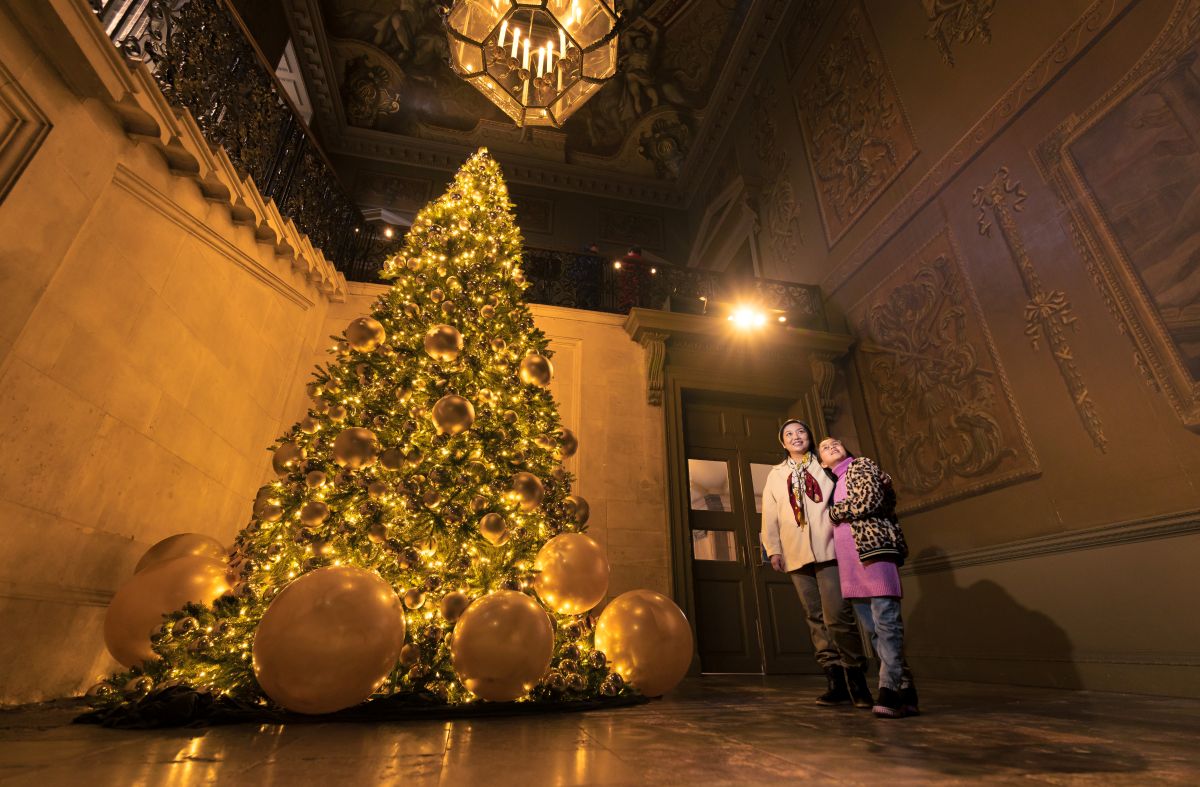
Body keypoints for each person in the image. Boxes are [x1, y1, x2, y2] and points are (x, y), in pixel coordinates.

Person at [760, 420, 872, 708]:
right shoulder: (776, 474)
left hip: (830, 549)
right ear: (782, 443)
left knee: (837, 616)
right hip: (795, 553)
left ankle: (856, 678)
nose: (796, 437)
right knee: (814, 617)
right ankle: (834, 681)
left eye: (801, 432)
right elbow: (769, 514)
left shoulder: (824, 465)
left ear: (809, 437)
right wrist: (773, 549)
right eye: (789, 435)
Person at [818, 436, 919, 718]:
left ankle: (888, 689)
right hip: (850, 563)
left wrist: (834, 513)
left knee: (886, 624)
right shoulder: (835, 483)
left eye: (835, 443)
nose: (831, 447)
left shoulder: (860, 465)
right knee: (874, 630)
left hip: (874, 553)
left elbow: (867, 501)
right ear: (822, 461)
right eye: (824, 448)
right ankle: (907, 692)